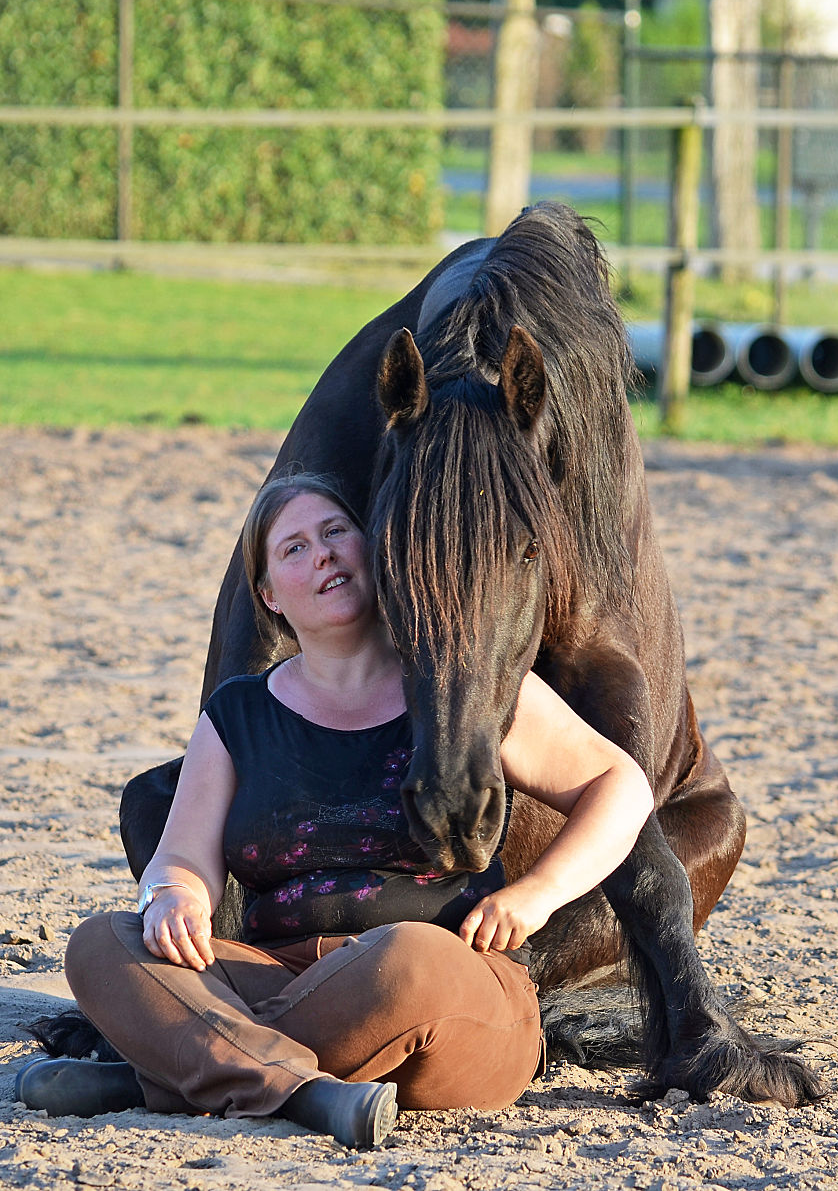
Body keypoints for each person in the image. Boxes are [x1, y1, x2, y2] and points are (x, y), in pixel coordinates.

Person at [16, 472, 654, 1147]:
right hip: (275, 973)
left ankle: (167, 1076)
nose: (320, 553)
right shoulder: (239, 712)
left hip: (450, 986)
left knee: (406, 960)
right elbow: (181, 858)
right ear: (268, 594)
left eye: (334, 532)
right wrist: (174, 895)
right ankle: (300, 1091)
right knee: (102, 942)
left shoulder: (463, 684)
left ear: (373, 552)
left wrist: (537, 894)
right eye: (292, 548)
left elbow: (622, 784)